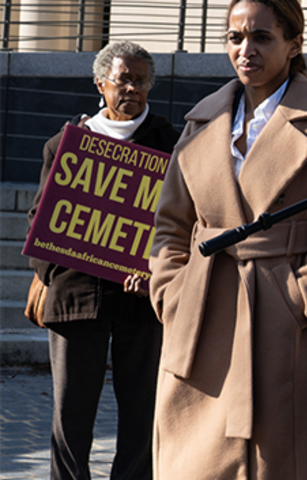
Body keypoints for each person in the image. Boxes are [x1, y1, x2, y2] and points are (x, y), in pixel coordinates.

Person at [148, 0, 307, 478]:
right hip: (201, 312)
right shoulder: (201, 121)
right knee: (193, 460)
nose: (245, 49)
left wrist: (301, 299)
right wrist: (173, 295)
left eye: (261, 37)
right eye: (235, 37)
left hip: (278, 314)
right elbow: (170, 226)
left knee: (276, 459)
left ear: (293, 44)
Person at [26, 40, 179, 480]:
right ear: (100, 83)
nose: (132, 88)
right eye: (122, 79)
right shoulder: (66, 145)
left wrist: (158, 268)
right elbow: (42, 220)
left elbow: (186, 219)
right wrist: (51, 270)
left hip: (143, 297)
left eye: (141, 80)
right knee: (71, 415)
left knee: (142, 412)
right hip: (76, 295)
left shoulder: (173, 144)